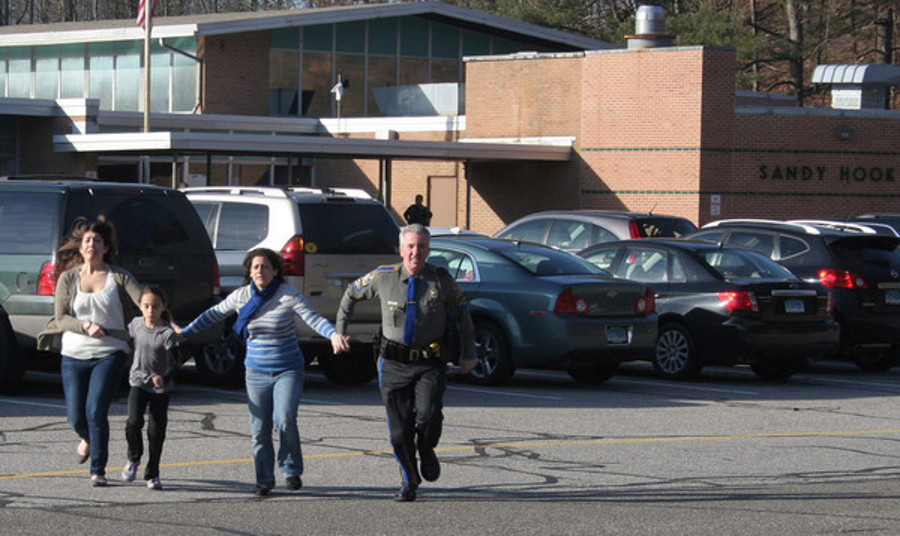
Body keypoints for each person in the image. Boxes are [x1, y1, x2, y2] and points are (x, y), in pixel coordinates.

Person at [177, 248, 350, 496]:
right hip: (256, 371)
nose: (260, 271)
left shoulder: (287, 295)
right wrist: (185, 333)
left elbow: (312, 318)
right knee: (259, 430)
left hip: (287, 369)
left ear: (275, 271)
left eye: (266, 266)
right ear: (249, 271)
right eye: (256, 266)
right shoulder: (241, 296)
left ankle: (291, 469)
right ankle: (264, 480)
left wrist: (333, 335)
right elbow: (213, 314)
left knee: (285, 420)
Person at [335, 223, 476, 502]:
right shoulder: (383, 277)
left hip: (429, 363)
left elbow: (463, 315)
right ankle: (409, 480)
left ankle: (426, 448)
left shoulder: (440, 281)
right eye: (410, 246)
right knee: (399, 432)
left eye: (421, 246)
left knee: (427, 415)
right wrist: (339, 331)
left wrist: (468, 354)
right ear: (401, 249)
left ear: (428, 249)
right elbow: (351, 294)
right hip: (393, 364)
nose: (415, 252)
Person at [38, 217, 143, 487]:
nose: (92, 245)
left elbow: (142, 300)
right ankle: (86, 438)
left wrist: (157, 315)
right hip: (73, 355)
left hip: (110, 352)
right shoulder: (68, 278)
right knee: (76, 417)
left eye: (97, 241)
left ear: (105, 247)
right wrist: (85, 325)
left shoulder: (118, 276)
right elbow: (61, 318)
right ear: (81, 247)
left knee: (96, 411)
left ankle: (98, 470)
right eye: (87, 240)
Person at [121, 285, 180, 491]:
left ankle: (153, 473)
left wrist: (163, 377)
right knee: (133, 422)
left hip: (159, 389)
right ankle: (133, 458)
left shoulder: (166, 333)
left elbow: (176, 361)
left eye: (155, 307)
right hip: (138, 381)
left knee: (156, 431)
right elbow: (125, 343)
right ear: (140, 307)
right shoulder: (135, 325)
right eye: (146, 306)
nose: (150, 311)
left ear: (163, 307)